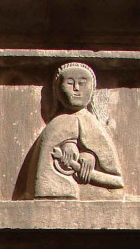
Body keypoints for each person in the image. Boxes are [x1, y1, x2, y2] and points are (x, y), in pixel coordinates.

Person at [29, 61, 123, 199]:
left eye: (82, 82)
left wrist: (90, 155)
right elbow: (46, 178)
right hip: (60, 193)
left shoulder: (92, 123)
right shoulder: (57, 124)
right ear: (57, 89)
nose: (76, 88)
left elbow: (116, 180)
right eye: (69, 83)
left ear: (92, 90)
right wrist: (68, 144)